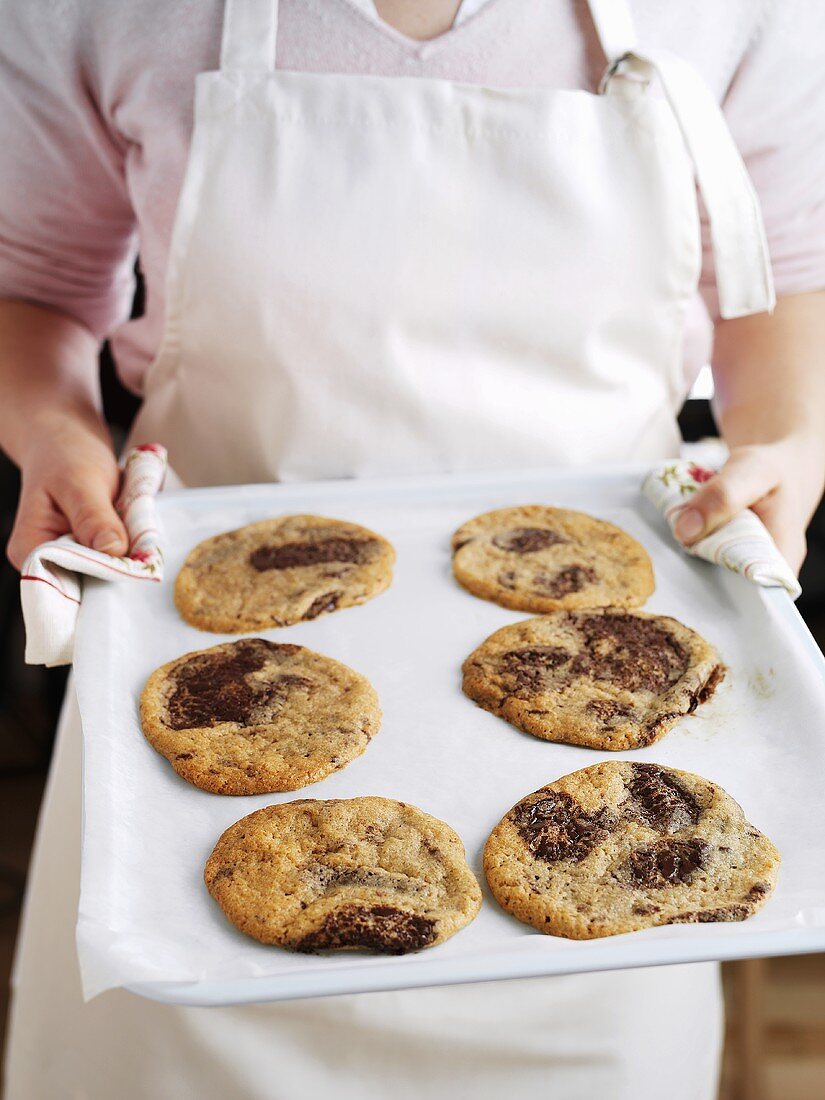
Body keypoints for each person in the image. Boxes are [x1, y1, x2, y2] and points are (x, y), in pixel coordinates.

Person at [1, 1, 824, 1097]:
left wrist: (787, 442)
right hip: (194, 676)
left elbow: (788, 273)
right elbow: (37, 285)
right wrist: (56, 436)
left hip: (599, 803)